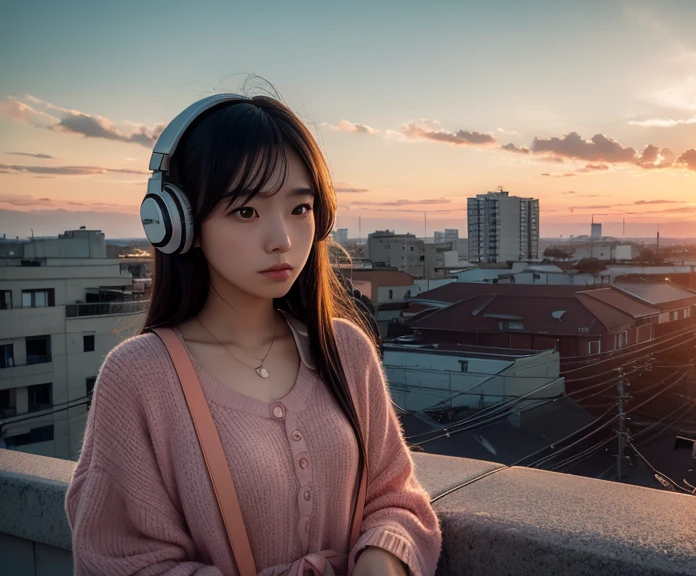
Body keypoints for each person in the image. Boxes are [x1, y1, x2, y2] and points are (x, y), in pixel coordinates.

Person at [65, 92, 441, 575]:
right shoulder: (139, 377)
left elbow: (395, 496)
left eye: (300, 209)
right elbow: (118, 561)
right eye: (246, 211)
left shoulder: (344, 351)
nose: (281, 238)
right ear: (179, 224)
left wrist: (382, 557)